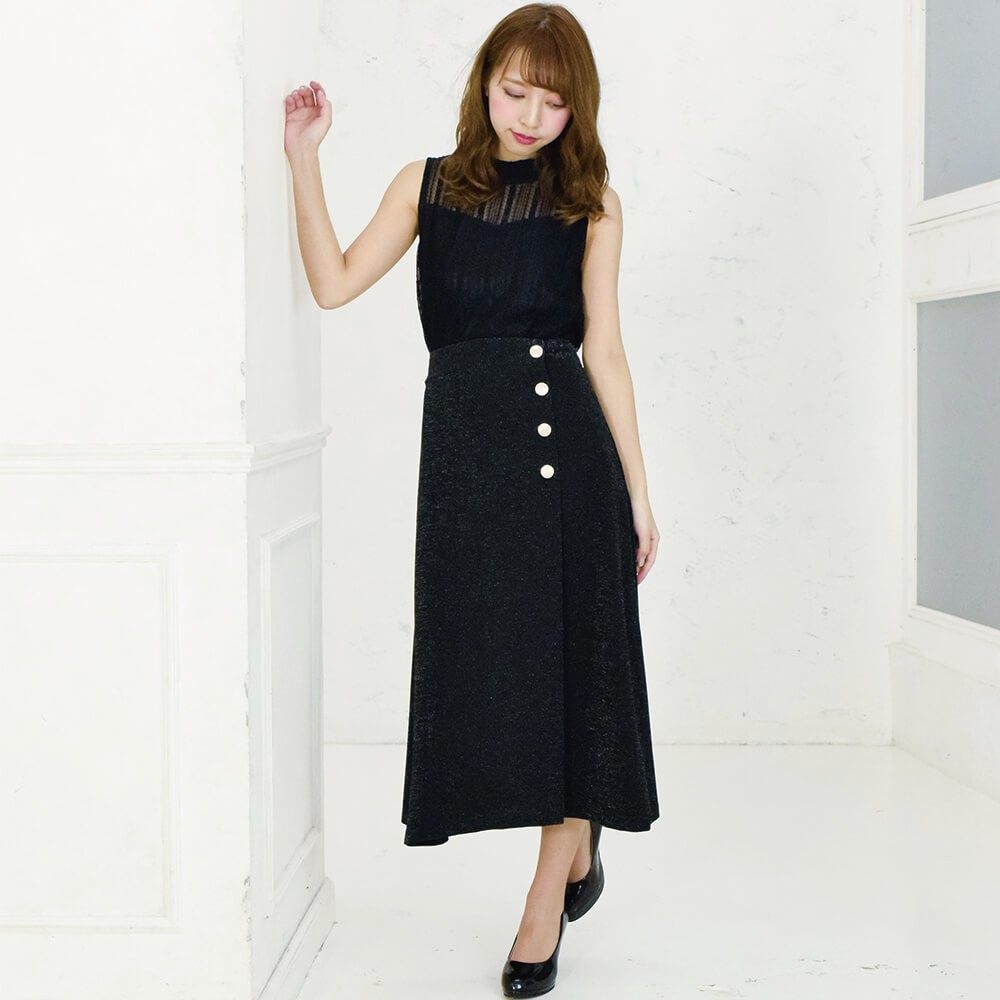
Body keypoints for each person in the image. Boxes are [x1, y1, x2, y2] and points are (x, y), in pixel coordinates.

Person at [284, 4, 660, 996]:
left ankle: (545, 898)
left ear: (577, 107)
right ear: (483, 83)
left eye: (553, 101)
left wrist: (638, 492)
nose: (530, 115)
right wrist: (304, 159)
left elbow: (606, 351)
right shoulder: (427, 186)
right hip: (464, 465)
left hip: (567, 460)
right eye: (514, 91)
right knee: (497, 671)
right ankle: (579, 845)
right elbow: (333, 283)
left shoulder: (593, 202)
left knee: (572, 672)